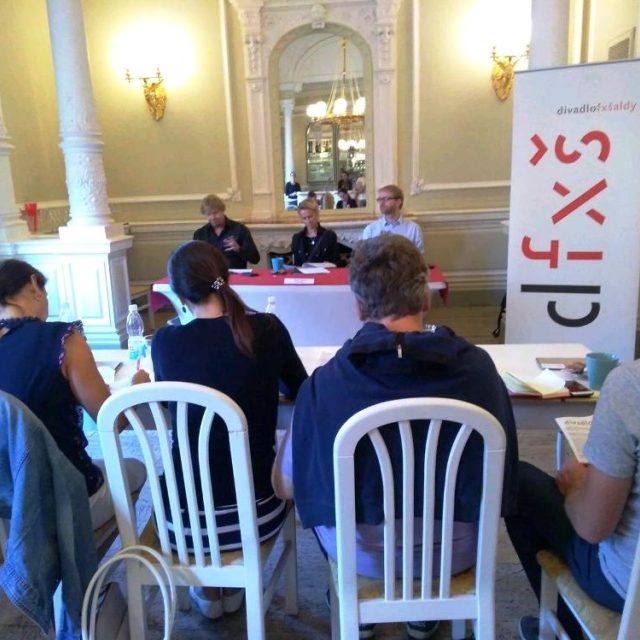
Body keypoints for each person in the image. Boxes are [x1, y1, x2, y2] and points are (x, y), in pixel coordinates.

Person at [273, 235, 518, 640]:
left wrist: (294, 425)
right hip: (456, 554)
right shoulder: (479, 370)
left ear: (358, 306)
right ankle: (426, 614)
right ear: (426, 298)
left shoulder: (326, 383)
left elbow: (286, 486)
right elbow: (505, 472)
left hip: (363, 558)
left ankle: (359, 610)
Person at [151, 240, 307, 619]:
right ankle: (233, 585)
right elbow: (300, 390)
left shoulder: (165, 343)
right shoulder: (267, 329)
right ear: (226, 277)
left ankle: (209, 589)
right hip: (256, 515)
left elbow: (175, 408)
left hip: (182, 525)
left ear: (178, 294)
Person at [0, 259, 149, 531]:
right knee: (136, 469)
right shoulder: (62, 340)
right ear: (34, 284)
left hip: (8, 506)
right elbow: (111, 420)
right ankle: (87, 550)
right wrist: (136, 387)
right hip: (61, 501)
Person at [506, 361, 640, 640]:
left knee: (518, 483)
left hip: (624, 589)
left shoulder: (630, 384)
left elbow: (593, 528)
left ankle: (564, 628)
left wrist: (576, 485)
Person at [193, 194, 260, 269]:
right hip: (210, 275)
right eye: (209, 214)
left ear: (222, 210)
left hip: (234, 275)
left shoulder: (240, 229)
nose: (213, 217)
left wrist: (239, 249)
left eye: (215, 213)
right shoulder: (200, 234)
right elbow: (194, 262)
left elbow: (255, 259)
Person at [362, 184, 424, 252]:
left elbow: (418, 256)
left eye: (386, 199)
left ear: (398, 202)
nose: (381, 203)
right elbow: (365, 256)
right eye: (380, 199)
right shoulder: (370, 229)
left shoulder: (413, 229)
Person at [291, 199, 340, 266]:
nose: (308, 221)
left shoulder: (329, 236)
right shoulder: (297, 238)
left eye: (310, 217)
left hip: (325, 272)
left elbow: (336, 261)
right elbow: (297, 265)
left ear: (317, 214)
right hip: (304, 272)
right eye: (304, 218)